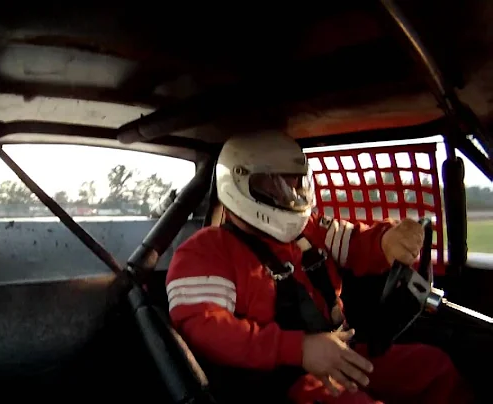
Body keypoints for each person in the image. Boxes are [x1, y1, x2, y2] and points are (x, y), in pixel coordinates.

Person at [165, 131, 473, 403]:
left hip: (342, 352)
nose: (291, 195)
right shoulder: (204, 251)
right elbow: (206, 330)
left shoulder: (310, 229)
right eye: (275, 186)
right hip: (280, 379)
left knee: (435, 369)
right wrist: (298, 349)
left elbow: (354, 242)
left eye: (294, 183)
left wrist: (387, 239)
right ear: (239, 183)